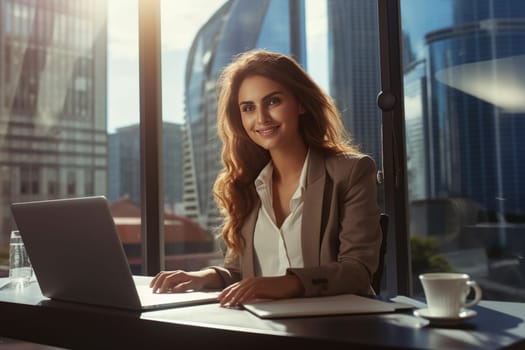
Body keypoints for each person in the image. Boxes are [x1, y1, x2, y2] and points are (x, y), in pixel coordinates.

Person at [150, 49, 381, 307]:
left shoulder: (350, 172)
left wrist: (285, 284)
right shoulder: (246, 184)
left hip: (334, 327)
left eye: (273, 102)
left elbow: (357, 272)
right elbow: (242, 272)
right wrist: (202, 277)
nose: (261, 118)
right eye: (248, 108)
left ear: (301, 103)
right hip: (264, 327)